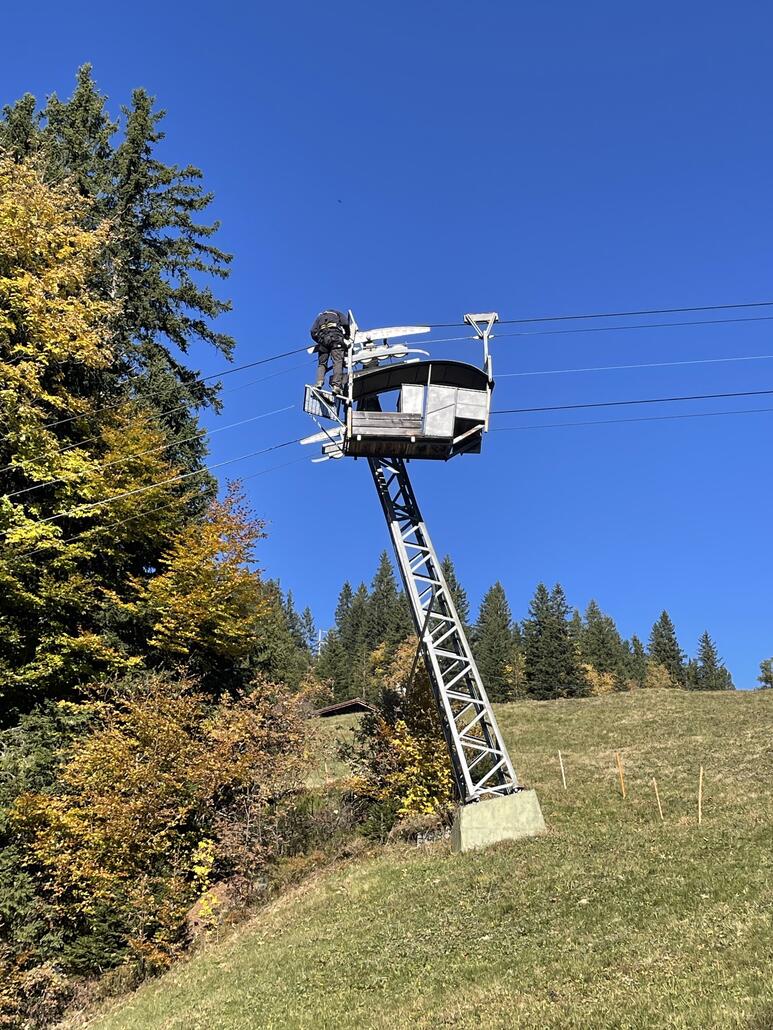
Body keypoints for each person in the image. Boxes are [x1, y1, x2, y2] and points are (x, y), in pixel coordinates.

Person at [310, 309, 351, 395]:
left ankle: (319, 382)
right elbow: (346, 323)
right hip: (335, 338)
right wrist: (347, 335)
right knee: (337, 361)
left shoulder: (320, 317)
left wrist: (319, 341)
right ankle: (336, 386)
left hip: (323, 341)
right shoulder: (338, 313)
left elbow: (313, 331)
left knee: (322, 363)